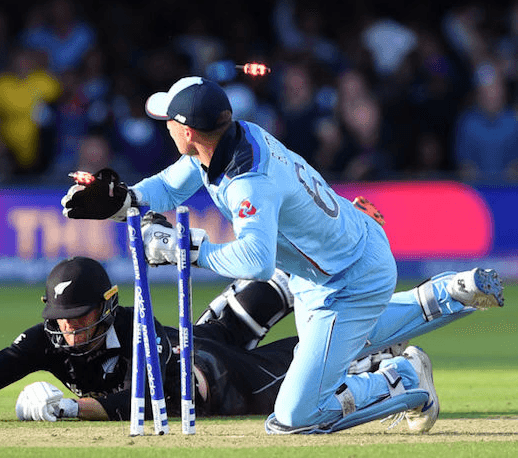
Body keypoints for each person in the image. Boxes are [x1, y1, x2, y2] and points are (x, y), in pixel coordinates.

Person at [59, 76, 505, 434]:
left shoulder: (247, 181)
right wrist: (125, 202)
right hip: (326, 270)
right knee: (353, 343)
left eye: (169, 122)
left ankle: (401, 381)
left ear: (188, 132)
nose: (166, 128)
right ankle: (447, 293)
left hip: (348, 278)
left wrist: (188, 250)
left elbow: (255, 261)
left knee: (293, 418)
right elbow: (170, 185)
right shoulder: (231, 138)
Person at [0, 256, 501, 428]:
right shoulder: (55, 338)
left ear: (108, 309)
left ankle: (409, 351)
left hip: (224, 379)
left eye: (80, 317)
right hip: (205, 335)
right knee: (261, 290)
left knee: (331, 342)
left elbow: (160, 396)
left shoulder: (137, 334)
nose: (68, 329)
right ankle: (297, 272)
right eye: (61, 318)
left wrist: (73, 408)